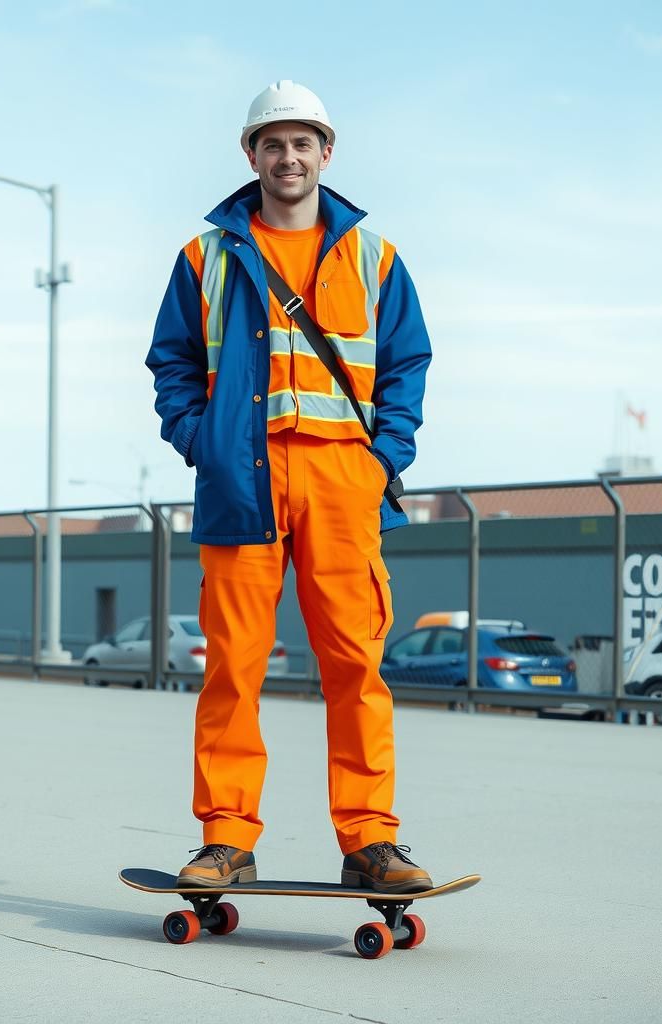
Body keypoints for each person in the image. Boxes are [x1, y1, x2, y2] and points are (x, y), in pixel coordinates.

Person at [146, 80, 433, 894]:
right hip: (242, 479)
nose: (288, 156)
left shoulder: (376, 258)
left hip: (345, 480)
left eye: (303, 142)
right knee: (232, 666)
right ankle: (226, 838)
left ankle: (371, 839)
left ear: (326, 153)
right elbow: (172, 362)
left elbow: (408, 363)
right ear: (251, 155)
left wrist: (385, 457)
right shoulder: (205, 257)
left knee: (356, 664)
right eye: (273, 143)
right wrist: (199, 440)